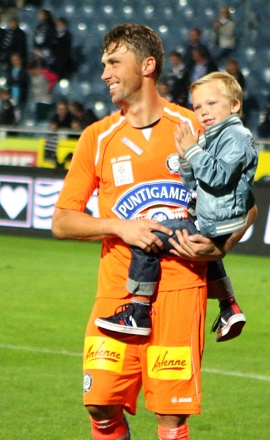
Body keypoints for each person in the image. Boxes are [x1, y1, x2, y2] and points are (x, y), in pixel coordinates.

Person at [52, 23, 257, 440]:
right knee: (99, 403)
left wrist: (222, 247)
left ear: (146, 66)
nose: (104, 74)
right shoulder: (97, 136)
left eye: (113, 62)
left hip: (182, 291)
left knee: (170, 416)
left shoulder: (196, 124)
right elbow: (63, 221)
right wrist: (119, 228)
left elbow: (248, 202)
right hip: (116, 295)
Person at [95, 71, 257, 343]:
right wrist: (185, 158)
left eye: (211, 103)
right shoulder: (212, 137)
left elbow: (217, 176)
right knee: (204, 253)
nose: (203, 112)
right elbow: (194, 183)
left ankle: (139, 309)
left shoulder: (237, 137)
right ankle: (229, 306)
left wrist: (193, 151)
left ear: (235, 105)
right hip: (208, 220)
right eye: (198, 107)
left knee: (145, 237)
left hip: (215, 220)